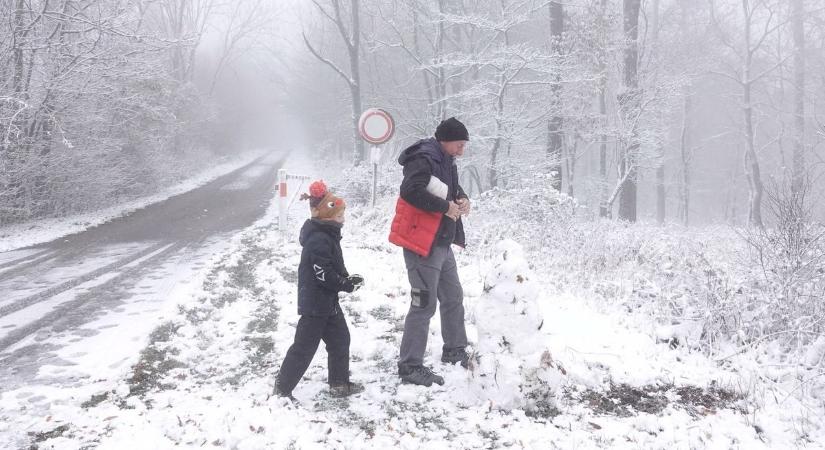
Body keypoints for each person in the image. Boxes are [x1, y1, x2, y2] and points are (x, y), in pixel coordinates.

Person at [389, 117, 472, 387]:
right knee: (423, 304)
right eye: (459, 145)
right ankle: (410, 366)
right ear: (445, 140)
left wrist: (462, 198)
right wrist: (444, 207)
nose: (461, 150)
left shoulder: (445, 160)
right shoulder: (423, 158)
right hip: (421, 243)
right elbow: (410, 191)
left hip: (441, 241)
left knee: (453, 296)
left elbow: (450, 187)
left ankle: (455, 350)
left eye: (463, 146)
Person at [275, 180, 365, 399]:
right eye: (339, 216)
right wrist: (344, 284)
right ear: (326, 216)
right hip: (315, 304)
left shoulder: (327, 234)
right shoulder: (318, 239)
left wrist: (346, 277)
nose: (343, 220)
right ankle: (282, 390)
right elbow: (322, 273)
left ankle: (339, 384)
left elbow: (331, 265)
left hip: (328, 302)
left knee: (340, 340)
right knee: (304, 348)